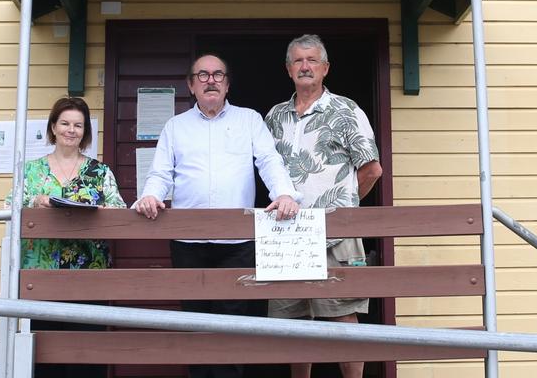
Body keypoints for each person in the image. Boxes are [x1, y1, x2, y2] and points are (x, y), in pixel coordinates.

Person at [134, 53, 300, 378]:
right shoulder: (175, 126)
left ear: (227, 84)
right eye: (203, 75)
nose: (211, 80)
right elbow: (160, 172)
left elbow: (268, 160)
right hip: (187, 243)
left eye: (218, 75)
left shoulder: (249, 120)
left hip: (236, 242)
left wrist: (284, 193)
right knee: (194, 321)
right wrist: (150, 195)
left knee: (232, 321)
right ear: (191, 85)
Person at [265, 34, 383, 378]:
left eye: (312, 60)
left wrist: (342, 208)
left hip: (337, 233)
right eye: (298, 61)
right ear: (288, 70)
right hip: (286, 232)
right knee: (293, 321)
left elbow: (371, 169)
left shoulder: (346, 110)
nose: (305, 67)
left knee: (342, 316)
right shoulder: (275, 116)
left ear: (325, 68)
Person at [14, 96, 125, 378]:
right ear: (53, 127)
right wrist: (34, 201)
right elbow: (9, 208)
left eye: (78, 125)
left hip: (88, 275)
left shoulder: (100, 172)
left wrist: (100, 210)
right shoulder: (31, 170)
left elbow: (121, 211)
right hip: (40, 275)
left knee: (85, 357)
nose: (70, 130)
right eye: (64, 123)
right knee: (44, 358)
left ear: (85, 131)